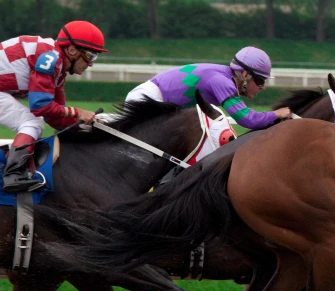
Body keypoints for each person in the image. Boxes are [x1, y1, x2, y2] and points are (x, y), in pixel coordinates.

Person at [0, 21, 106, 192]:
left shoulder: (57, 66)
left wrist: (85, 127)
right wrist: (78, 113)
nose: (91, 63)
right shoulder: (50, 58)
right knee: (32, 123)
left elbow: (55, 116)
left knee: (34, 122)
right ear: (72, 50)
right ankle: (13, 176)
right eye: (90, 55)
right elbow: (40, 106)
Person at [125, 46, 291, 130]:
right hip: (147, 100)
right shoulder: (222, 82)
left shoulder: (223, 76)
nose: (263, 87)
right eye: (261, 80)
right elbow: (247, 119)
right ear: (245, 75)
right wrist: (276, 113)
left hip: (158, 103)